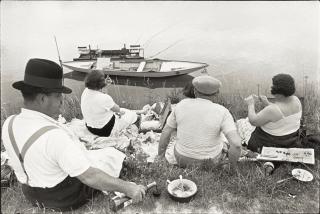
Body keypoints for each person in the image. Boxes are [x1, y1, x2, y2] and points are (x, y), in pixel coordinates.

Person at [1, 59, 146, 211]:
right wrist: (128, 188)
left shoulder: (9, 123)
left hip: (29, 193)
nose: (62, 102)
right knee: (110, 156)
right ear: (43, 99)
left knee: (96, 156)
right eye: (58, 96)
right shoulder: (54, 136)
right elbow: (89, 176)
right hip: (62, 197)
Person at [158, 75, 241, 168]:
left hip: (181, 159)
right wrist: (232, 168)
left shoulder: (181, 105)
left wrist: (160, 157)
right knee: (224, 142)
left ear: (194, 91)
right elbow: (236, 145)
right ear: (217, 94)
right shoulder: (223, 112)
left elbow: (166, 132)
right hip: (210, 162)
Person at [244, 73, 302, 153]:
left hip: (270, 143)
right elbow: (281, 113)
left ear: (276, 89)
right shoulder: (296, 101)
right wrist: (267, 102)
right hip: (290, 140)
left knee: (243, 123)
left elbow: (253, 121)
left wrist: (250, 104)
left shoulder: (272, 110)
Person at [81, 70, 137, 137]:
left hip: (90, 128)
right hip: (104, 130)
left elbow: (100, 98)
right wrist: (119, 112)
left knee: (114, 111)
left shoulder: (85, 91)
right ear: (101, 83)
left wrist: (105, 85)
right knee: (133, 116)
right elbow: (117, 108)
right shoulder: (105, 98)